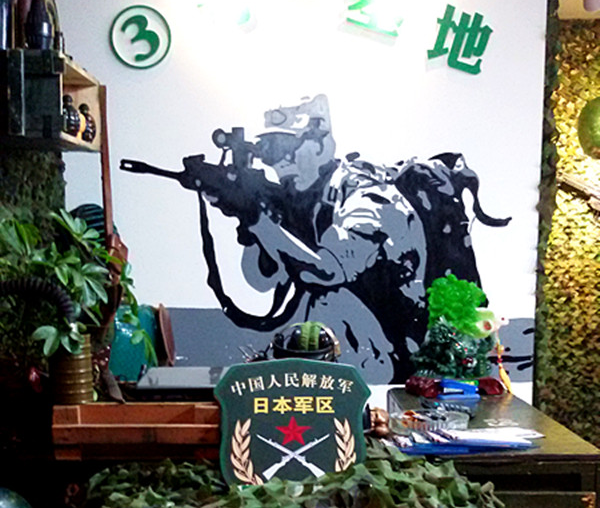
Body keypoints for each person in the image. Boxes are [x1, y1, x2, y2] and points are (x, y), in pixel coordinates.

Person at [121, 94, 510, 383]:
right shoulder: (298, 200)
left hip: (395, 357)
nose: (278, 161)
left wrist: (258, 218)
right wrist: (246, 216)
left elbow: (328, 270)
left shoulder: (368, 196)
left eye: (288, 147)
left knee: (327, 296)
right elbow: (261, 279)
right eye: (268, 150)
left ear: (323, 145)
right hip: (340, 353)